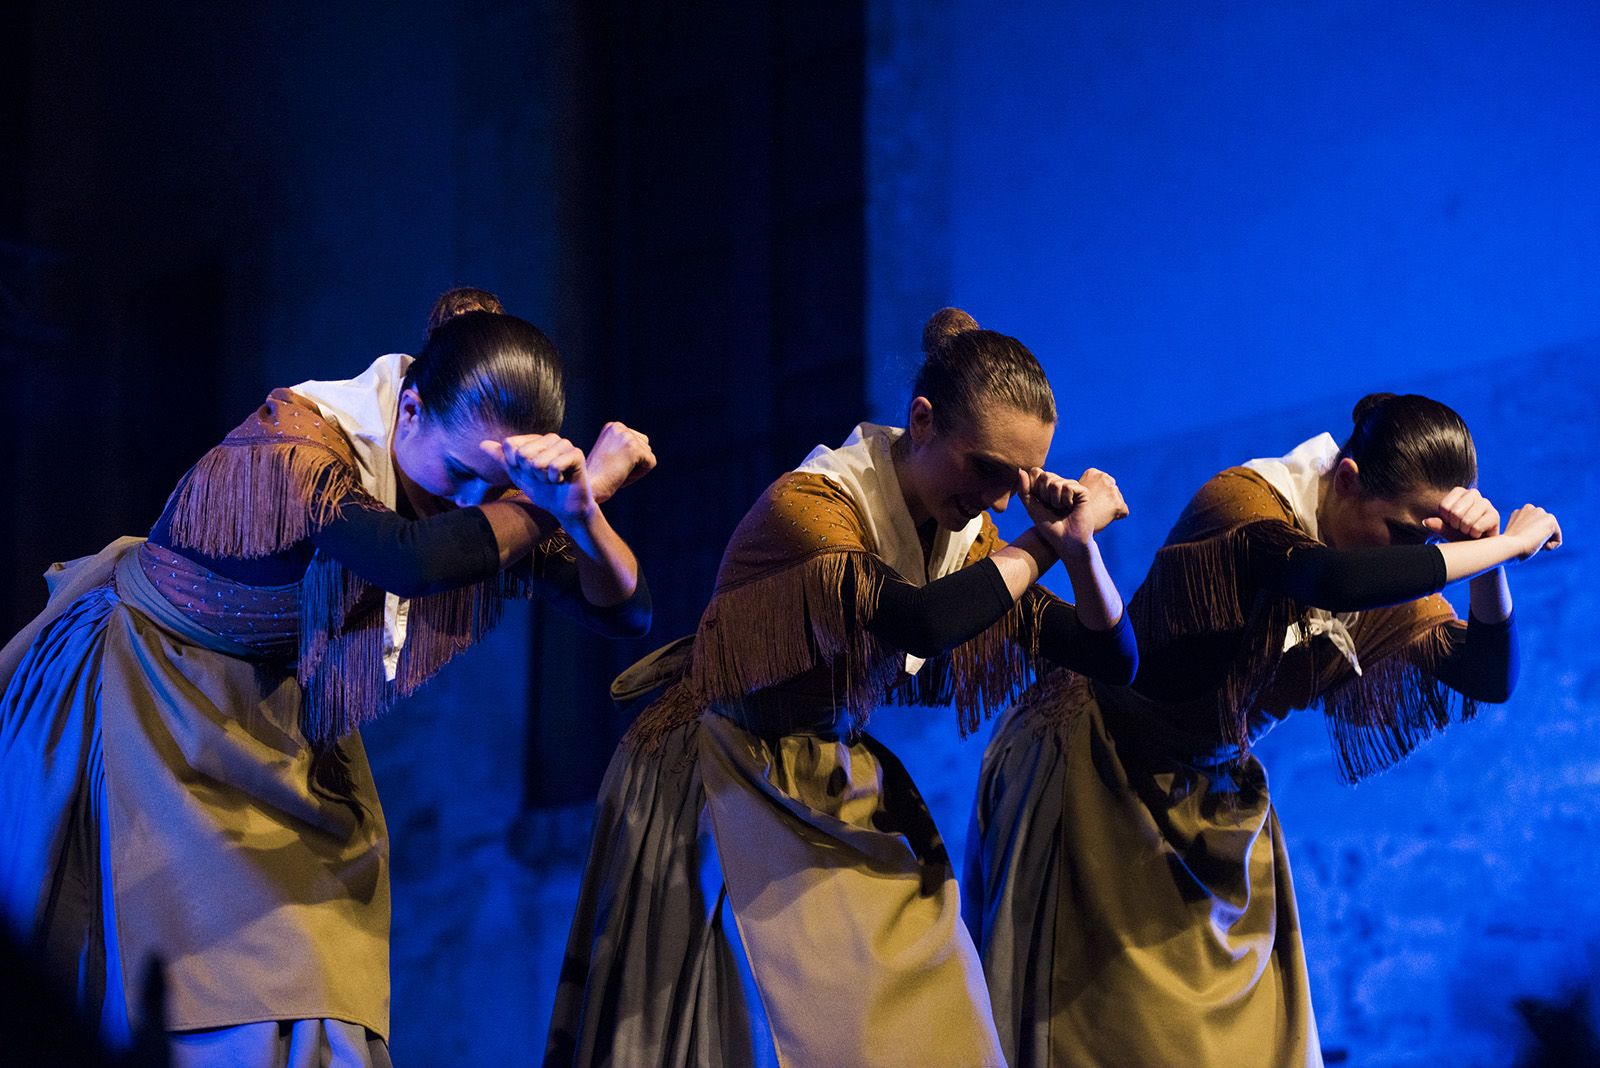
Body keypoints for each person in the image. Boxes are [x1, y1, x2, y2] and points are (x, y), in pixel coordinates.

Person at [0, 289, 655, 1067]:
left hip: (275, 722)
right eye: (460, 474)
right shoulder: (297, 451)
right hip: (155, 703)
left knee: (321, 970)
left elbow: (625, 613)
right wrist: (558, 504)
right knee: (215, 979)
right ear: (409, 410)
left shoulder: (473, 477)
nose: (471, 501)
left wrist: (580, 510)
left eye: (494, 484)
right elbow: (409, 562)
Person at [545, 307, 1140, 1068]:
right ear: (921, 422)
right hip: (720, 770)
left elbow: (1111, 658)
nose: (999, 499)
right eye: (986, 468)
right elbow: (922, 624)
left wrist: (1082, 549)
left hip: (829, 770)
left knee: (937, 1013)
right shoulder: (813, 508)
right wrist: (1039, 543)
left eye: (1018, 479)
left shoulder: (963, 534)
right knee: (712, 1035)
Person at [964, 392, 1562, 1068]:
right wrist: (1510, 541)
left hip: (1212, 803)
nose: (1413, 554)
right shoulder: (1244, 506)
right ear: (1345, 480)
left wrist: (1488, 559)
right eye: (1402, 532)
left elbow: (1489, 674)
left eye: (1425, 541)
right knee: (1106, 1035)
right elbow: (1324, 579)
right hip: (1098, 771)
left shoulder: (1376, 573)